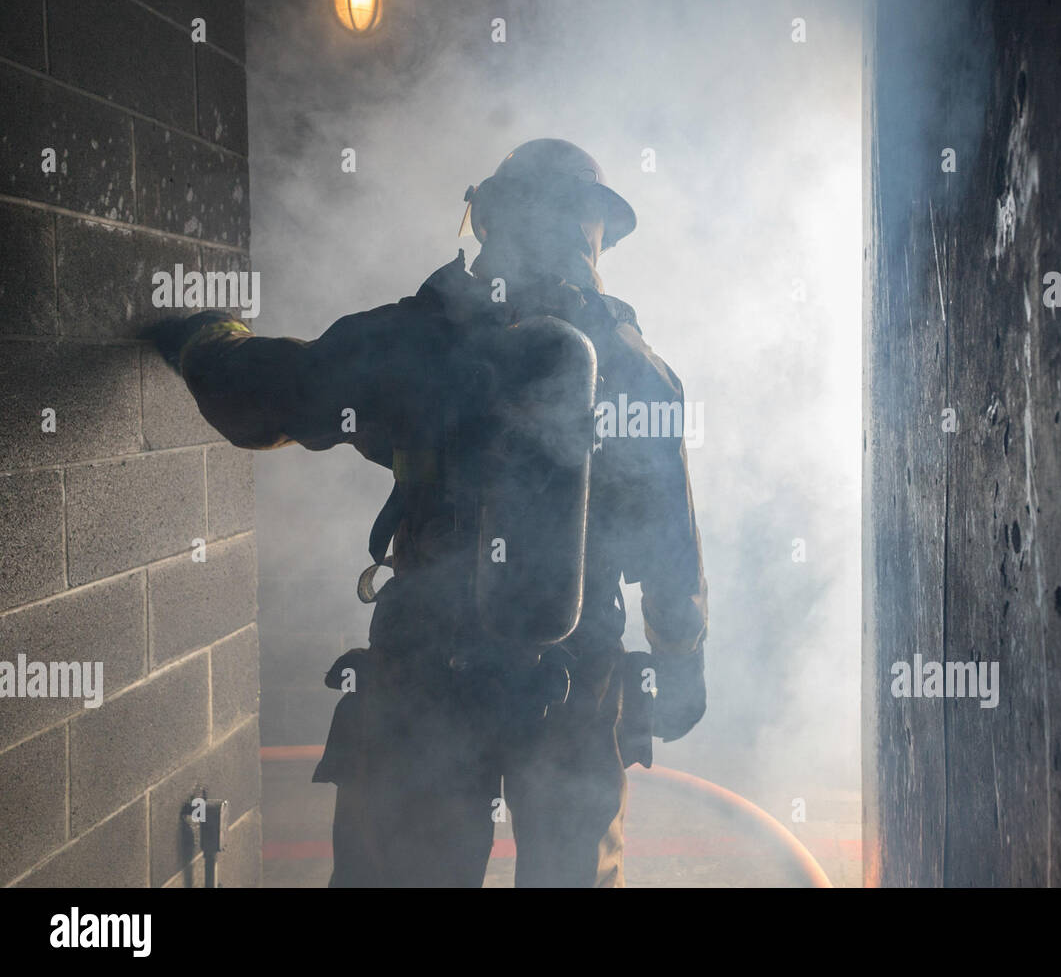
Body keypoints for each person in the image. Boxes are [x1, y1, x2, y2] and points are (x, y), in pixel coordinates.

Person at [147, 139, 708, 887]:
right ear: (594, 233)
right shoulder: (639, 369)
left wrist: (197, 336)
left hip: (429, 659)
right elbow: (670, 552)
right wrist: (678, 666)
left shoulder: (419, 339)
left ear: (488, 221)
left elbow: (272, 396)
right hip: (578, 665)